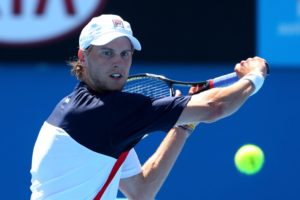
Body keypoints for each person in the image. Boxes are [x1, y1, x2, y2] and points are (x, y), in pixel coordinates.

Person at [30, 14, 268, 200]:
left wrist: (184, 126)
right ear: (83, 57)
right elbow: (216, 106)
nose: (118, 62)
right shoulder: (104, 113)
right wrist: (254, 76)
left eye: (125, 53)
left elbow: (141, 191)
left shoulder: (101, 122)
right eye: (107, 53)